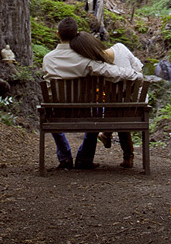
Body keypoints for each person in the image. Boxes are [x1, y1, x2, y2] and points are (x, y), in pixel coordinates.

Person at [42, 17, 142, 170]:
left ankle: (64, 156)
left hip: (57, 112)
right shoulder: (85, 59)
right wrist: (136, 74)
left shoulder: (47, 59)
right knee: (97, 109)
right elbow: (112, 72)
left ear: (57, 34)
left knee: (48, 108)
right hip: (85, 112)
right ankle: (84, 158)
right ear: (77, 34)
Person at [68, 31, 143, 169]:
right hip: (138, 106)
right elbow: (139, 69)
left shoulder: (96, 67)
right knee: (119, 107)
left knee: (115, 106)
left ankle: (107, 135)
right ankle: (126, 154)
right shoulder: (121, 47)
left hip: (115, 111)